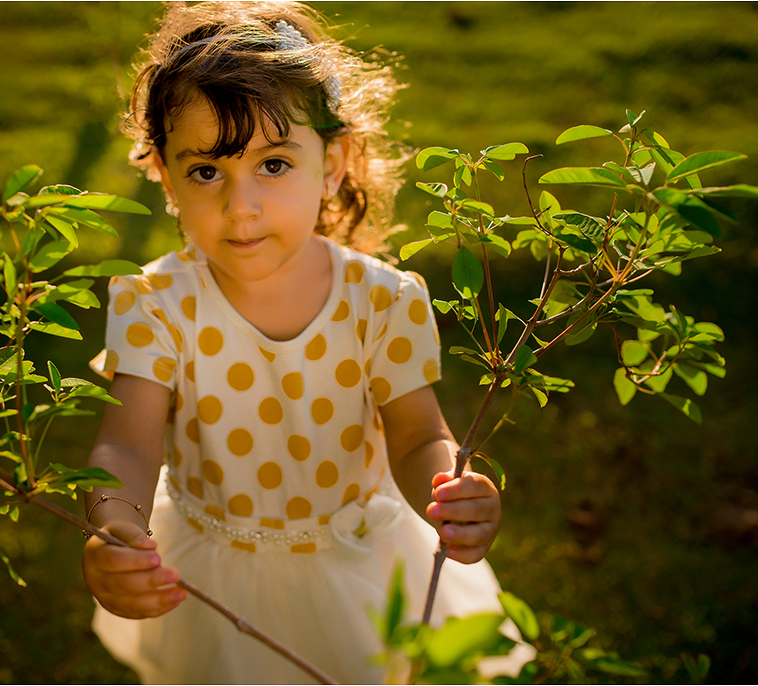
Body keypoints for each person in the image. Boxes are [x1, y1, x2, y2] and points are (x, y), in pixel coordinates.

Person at [81, 2, 531, 682]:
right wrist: (115, 529)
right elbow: (127, 445)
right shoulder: (156, 302)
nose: (240, 206)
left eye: (273, 164)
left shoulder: (381, 300)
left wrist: (453, 492)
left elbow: (416, 436)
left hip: (356, 563)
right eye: (206, 172)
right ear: (166, 177)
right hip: (213, 573)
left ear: (333, 163)